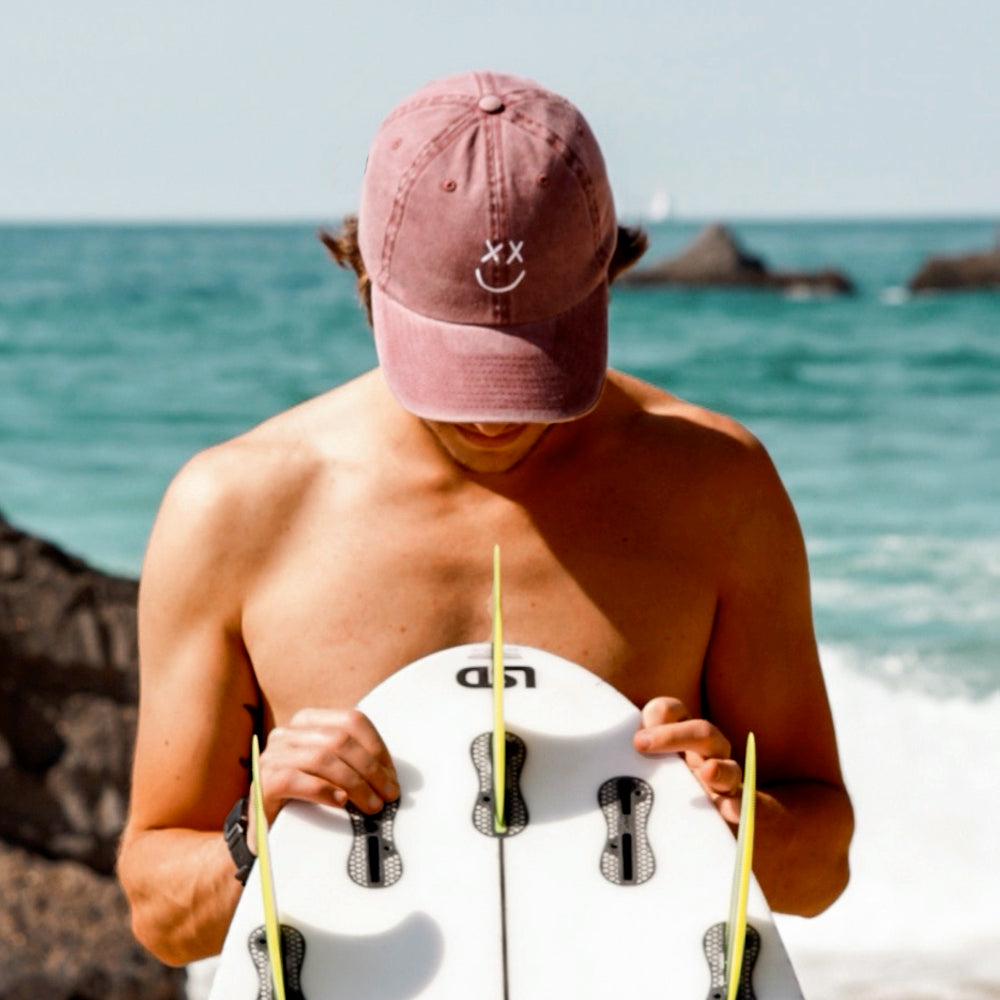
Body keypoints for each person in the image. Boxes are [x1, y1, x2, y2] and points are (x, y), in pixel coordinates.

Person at [118, 71, 853, 967]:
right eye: (459, 363)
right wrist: (257, 824)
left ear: (608, 281)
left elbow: (821, 873)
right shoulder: (235, 510)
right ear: (367, 277)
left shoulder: (717, 488)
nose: (495, 418)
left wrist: (740, 822)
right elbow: (162, 917)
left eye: (534, 359)